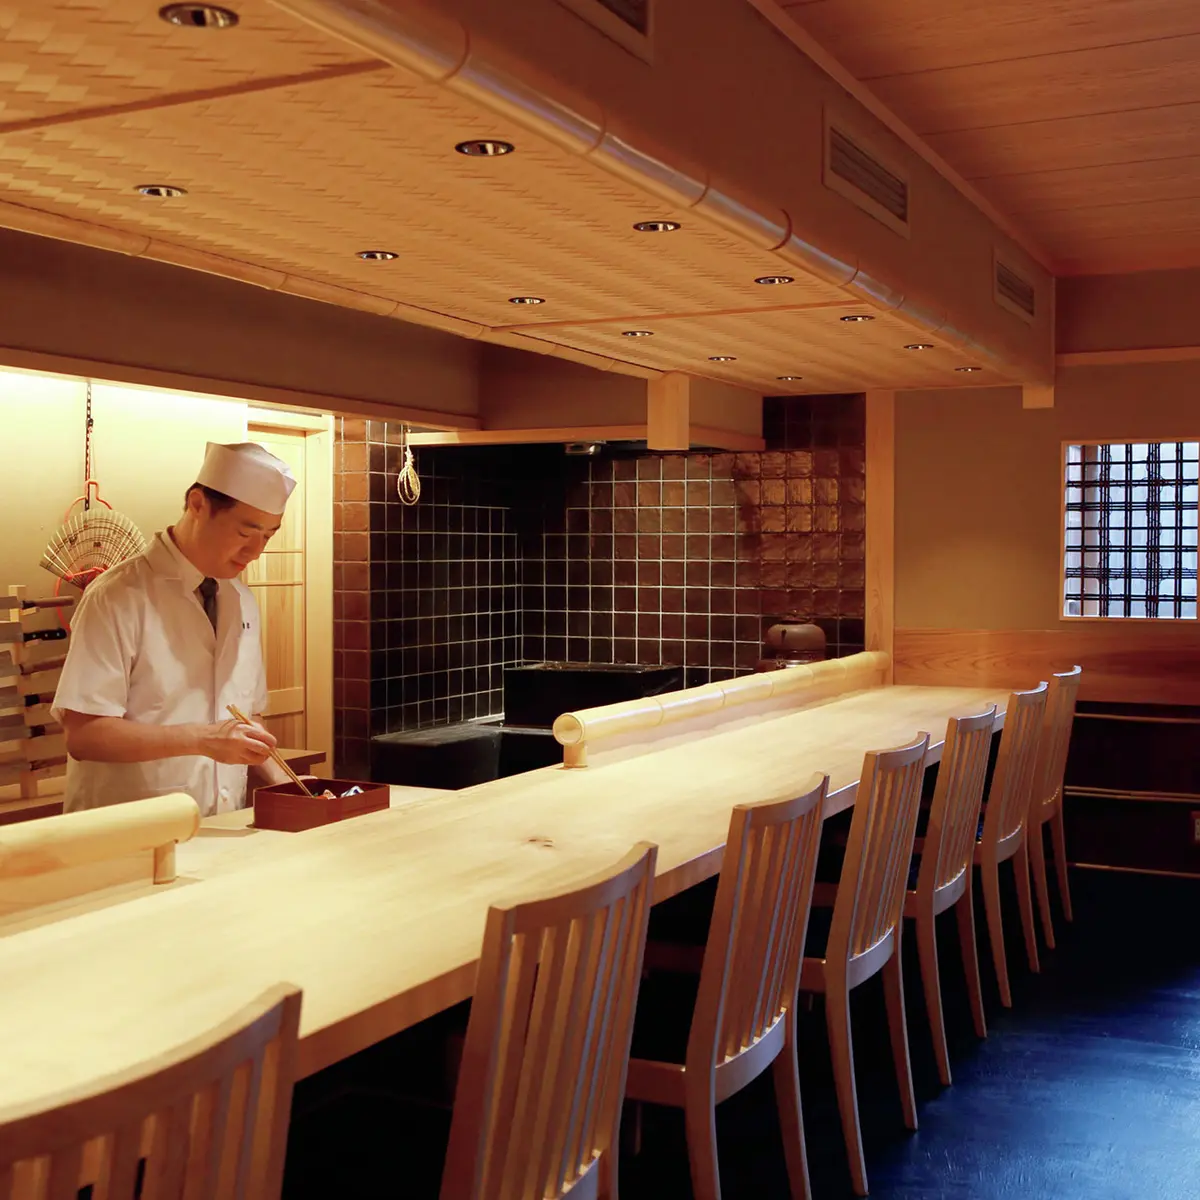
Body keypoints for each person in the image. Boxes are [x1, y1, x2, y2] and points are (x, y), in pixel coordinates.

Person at [53, 441, 299, 816]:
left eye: (268, 536)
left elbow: (246, 717)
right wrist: (201, 739)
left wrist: (287, 785)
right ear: (198, 505)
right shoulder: (116, 596)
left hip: (221, 824)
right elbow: (85, 736)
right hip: (130, 826)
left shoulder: (241, 599)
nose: (255, 551)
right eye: (245, 532)